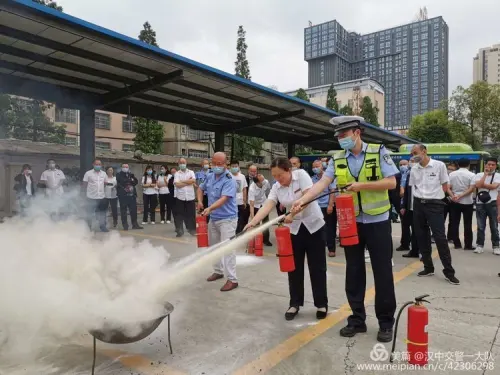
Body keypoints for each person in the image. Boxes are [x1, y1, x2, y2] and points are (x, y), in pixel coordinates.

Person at [292, 115, 397, 343]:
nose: (341, 140)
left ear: (357, 132)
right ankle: (357, 319)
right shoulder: (337, 158)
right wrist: (303, 200)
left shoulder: (378, 151)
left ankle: (386, 322)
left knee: (383, 272)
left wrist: (362, 186)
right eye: (338, 136)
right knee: (354, 271)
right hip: (351, 223)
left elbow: (392, 182)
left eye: (344, 135)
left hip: (378, 222)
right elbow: (321, 184)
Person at [246, 157, 328, 320]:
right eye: (274, 176)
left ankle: (321, 304)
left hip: (314, 227)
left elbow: (308, 198)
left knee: (317, 267)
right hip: (294, 230)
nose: (278, 179)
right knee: (293, 267)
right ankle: (294, 303)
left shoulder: (302, 175)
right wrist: (253, 222)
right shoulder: (276, 187)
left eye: (280, 176)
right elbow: (268, 205)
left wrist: (292, 213)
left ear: (289, 170)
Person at [409, 144, 460, 285]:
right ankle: (428, 267)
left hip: (435, 204)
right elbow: (413, 187)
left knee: (440, 237)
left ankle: (449, 271)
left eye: (415, 152)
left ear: (424, 151)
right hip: (419, 204)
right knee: (421, 236)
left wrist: (450, 195)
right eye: (412, 153)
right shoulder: (414, 168)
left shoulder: (439, 165)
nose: (413, 155)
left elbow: (445, 184)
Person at [197, 152, 239, 292]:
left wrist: (209, 208)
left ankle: (232, 279)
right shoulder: (209, 175)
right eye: (213, 163)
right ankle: (218, 271)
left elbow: (224, 198)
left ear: (225, 164)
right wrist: (200, 202)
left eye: (219, 164)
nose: (216, 166)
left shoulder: (229, 179)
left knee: (228, 249)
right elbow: (200, 188)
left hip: (227, 219)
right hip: (214, 218)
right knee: (213, 247)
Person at [473, 157, 500, 255]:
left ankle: (496, 246)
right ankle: (479, 246)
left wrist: (482, 184)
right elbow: (478, 185)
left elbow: (494, 187)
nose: (490, 166)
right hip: (480, 203)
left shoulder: (498, 175)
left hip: (492, 203)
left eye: (493, 164)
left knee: (494, 226)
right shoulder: (479, 175)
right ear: (485, 165)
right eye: (489, 164)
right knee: (480, 226)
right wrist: (485, 175)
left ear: (496, 165)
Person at [448, 158, 476, 250]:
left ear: (458, 165)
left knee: (454, 223)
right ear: (468, 164)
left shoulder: (451, 174)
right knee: (467, 224)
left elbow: (447, 188)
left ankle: (457, 244)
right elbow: (471, 189)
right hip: (467, 202)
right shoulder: (472, 175)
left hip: (455, 202)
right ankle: (468, 245)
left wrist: (453, 196)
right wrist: (461, 195)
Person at [311, 159, 337, 257]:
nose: (315, 168)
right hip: (316, 207)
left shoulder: (329, 178)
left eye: (317, 166)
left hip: (327, 206)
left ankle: (331, 249)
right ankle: (318, 247)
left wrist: (330, 205)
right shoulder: (312, 179)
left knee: (330, 228)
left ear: (322, 166)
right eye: (313, 167)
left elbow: (332, 192)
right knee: (318, 228)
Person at [400, 157, 422, 259]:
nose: (410, 163)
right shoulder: (409, 174)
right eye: (410, 162)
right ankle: (414, 251)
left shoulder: (424, 174)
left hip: (422, 207)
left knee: (421, 231)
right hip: (411, 207)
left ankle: (423, 252)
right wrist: (403, 206)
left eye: (413, 162)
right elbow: (406, 193)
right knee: (414, 230)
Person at [82, 159, 108, 232]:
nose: (98, 166)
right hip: (91, 197)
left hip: (101, 197)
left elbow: (105, 183)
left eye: (99, 164)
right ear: (93, 164)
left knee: (102, 213)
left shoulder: (104, 174)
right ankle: (88, 227)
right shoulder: (88, 173)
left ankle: (103, 227)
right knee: (89, 213)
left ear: (101, 165)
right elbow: (84, 184)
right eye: (96, 164)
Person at [173, 158, 196, 237]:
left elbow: (193, 181)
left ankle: (192, 230)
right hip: (180, 197)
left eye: (184, 162)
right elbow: (177, 185)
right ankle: (180, 230)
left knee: (191, 215)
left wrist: (182, 182)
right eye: (181, 163)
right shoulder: (177, 173)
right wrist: (187, 182)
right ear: (178, 164)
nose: (182, 164)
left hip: (190, 197)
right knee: (179, 215)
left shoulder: (191, 172)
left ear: (186, 163)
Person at [116, 163, 143, 231]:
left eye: (127, 167)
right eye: (124, 167)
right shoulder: (119, 174)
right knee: (123, 211)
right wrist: (130, 180)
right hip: (123, 196)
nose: (126, 168)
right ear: (121, 167)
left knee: (133, 211)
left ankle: (135, 224)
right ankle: (125, 225)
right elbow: (122, 181)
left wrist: (131, 178)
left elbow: (135, 182)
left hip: (132, 195)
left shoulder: (131, 174)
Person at [248, 173, 272, 247]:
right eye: (262, 180)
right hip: (255, 205)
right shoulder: (252, 189)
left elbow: (270, 191)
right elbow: (251, 205)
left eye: (264, 179)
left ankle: (266, 240)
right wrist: (253, 218)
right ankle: (256, 240)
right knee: (256, 224)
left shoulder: (266, 182)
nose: (264, 181)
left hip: (264, 203)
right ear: (258, 183)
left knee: (266, 222)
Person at [230, 160, 248, 234]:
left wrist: (244, 200)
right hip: (230, 202)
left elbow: (244, 188)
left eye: (236, 166)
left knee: (240, 219)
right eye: (233, 166)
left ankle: (239, 233)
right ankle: (231, 233)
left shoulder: (242, 176)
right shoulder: (228, 176)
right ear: (230, 167)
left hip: (240, 202)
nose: (234, 168)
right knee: (231, 219)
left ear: (238, 167)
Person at [396, 160, 411, 251]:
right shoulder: (396, 175)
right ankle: (405, 243)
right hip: (400, 204)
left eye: (404, 164)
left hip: (411, 203)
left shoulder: (412, 174)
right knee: (405, 225)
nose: (402, 166)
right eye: (400, 165)